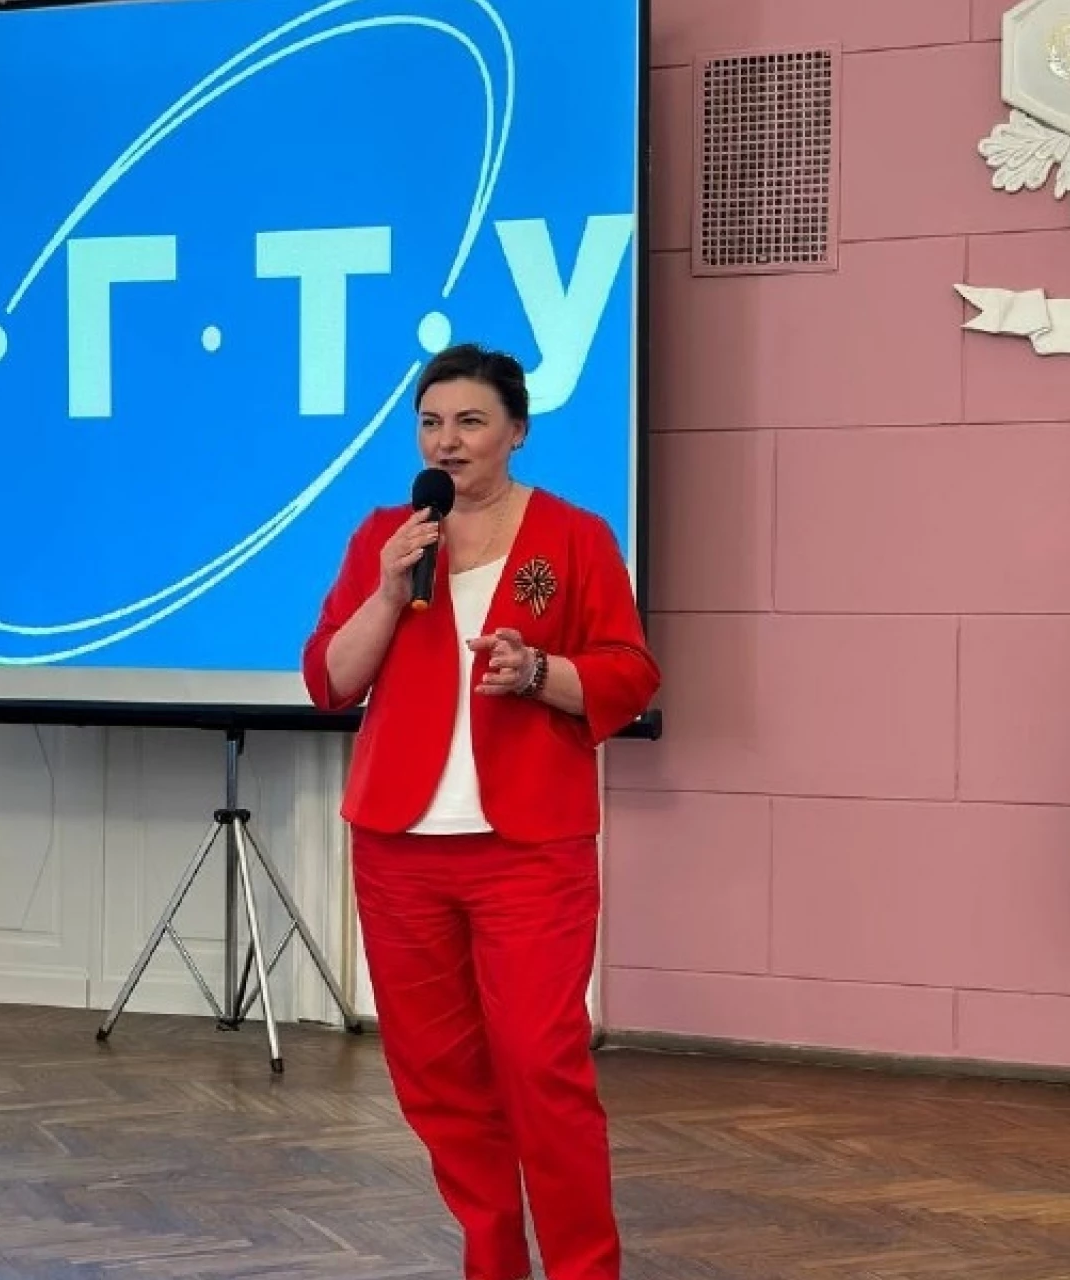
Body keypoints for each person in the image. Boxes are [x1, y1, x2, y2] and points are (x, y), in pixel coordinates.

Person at [301, 342, 660, 1280]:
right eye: (431, 423)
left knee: (541, 1067)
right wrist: (388, 592)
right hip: (398, 848)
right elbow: (331, 680)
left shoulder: (574, 537)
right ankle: (492, 1260)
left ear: (516, 432)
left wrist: (540, 673)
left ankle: (584, 1268)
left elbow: (630, 674)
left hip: (529, 849)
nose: (447, 442)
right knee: (438, 1081)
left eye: (469, 422)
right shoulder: (389, 536)